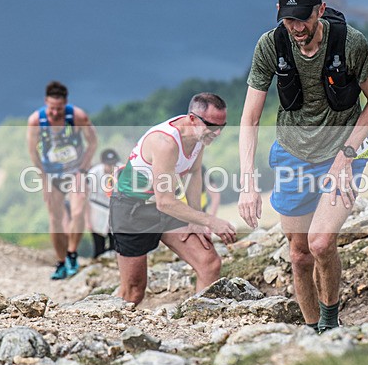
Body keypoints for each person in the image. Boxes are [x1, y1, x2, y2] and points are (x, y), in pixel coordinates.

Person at [238, 0, 368, 333]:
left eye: (303, 18)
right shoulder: (271, 45)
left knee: (321, 244)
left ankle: (331, 323)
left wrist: (345, 156)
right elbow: (250, 117)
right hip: (292, 154)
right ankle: (311, 332)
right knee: (299, 255)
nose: (296, 27)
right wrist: (247, 182)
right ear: (279, 13)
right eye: (289, 19)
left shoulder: (350, 43)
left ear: (320, 10)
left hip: (344, 153)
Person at [109, 93, 236, 305]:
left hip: (167, 209)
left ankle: (199, 322)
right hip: (133, 210)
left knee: (209, 263)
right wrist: (209, 220)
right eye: (213, 126)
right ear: (192, 118)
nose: (218, 132)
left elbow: (195, 173)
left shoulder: (200, 135)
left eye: (222, 126)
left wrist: (195, 221)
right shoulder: (165, 143)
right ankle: (102, 322)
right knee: (134, 292)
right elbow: (164, 201)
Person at [26, 80, 98, 280]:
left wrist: (83, 168)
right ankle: (60, 262)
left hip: (75, 170)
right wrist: (43, 178)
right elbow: (33, 152)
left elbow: (92, 142)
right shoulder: (36, 121)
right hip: (51, 173)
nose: (55, 113)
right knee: (55, 218)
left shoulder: (78, 117)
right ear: (45, 103)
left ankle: (72, 253)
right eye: (51, 108)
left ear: (66, 103)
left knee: (77, 211)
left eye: (59, 108)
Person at [86, 148, 121, 257]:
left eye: (113, 164)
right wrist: (87, 220)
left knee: (114, 244)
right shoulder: (94, 174)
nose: (110, 167)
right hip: (97, 209)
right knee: (98, 244)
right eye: (108, 164)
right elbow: (86, 198)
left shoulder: (122, 171)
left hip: (115, 210)